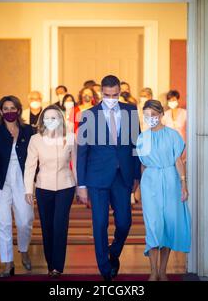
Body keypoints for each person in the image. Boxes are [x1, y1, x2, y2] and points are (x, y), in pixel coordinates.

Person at [77, 75, 141, 281]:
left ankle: (114, 252)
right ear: (100, 93)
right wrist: (82, 185)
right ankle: (105, 269)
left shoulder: (130, 111)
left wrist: (136, 175)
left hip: (122, 177)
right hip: (96, 178)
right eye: (107, 95)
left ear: (120, 92)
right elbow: (82, 152)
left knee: (124, 222)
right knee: (100, 223)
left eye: (115, 95)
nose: (111, 98)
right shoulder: (88, 115)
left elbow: (135, 146)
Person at [136, 100, 191, 281]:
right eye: (146, 116)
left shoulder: (173, 135)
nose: (150, 119)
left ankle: (162, 271)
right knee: (153, 226)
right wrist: (137, 189)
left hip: (170, 181)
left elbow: (178, 161)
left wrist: (183, 184)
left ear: (160, 115)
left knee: (167, 226)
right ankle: (152, 271)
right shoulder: (142, 138)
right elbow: (142, 165)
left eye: (153, 115)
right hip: (150, 182)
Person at [24, 105, 77, 278]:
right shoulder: (35, 139)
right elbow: (30, 166)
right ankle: (50, 264)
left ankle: (57, 267)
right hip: (43, 187)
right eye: (47, 118)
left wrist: (80, 187)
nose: (50, 121)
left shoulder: (70, 137)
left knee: (60, 225)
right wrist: (28, 190)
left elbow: (75, 164)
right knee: (47, 226)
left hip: (66, 186)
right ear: (42, 120)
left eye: (54, 117)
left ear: (60, 119)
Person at [0, 95, 34, 278]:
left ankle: (24, 250)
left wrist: (33, 183)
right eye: (5, 108)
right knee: (2, 222)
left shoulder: (28, 130)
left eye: (12, 108)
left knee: (25, 219)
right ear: (0, 111)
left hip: (23, 179)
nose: (9, 111)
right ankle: (8, 262)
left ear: (19, 110)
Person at [162, 90, 187, 162]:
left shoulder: (185, 113)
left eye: (173, 100)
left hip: (182, 146)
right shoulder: (165, 115)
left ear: (177, 100)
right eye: (170, 100)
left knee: (181, 166)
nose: (172, 102)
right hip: (169, 146)